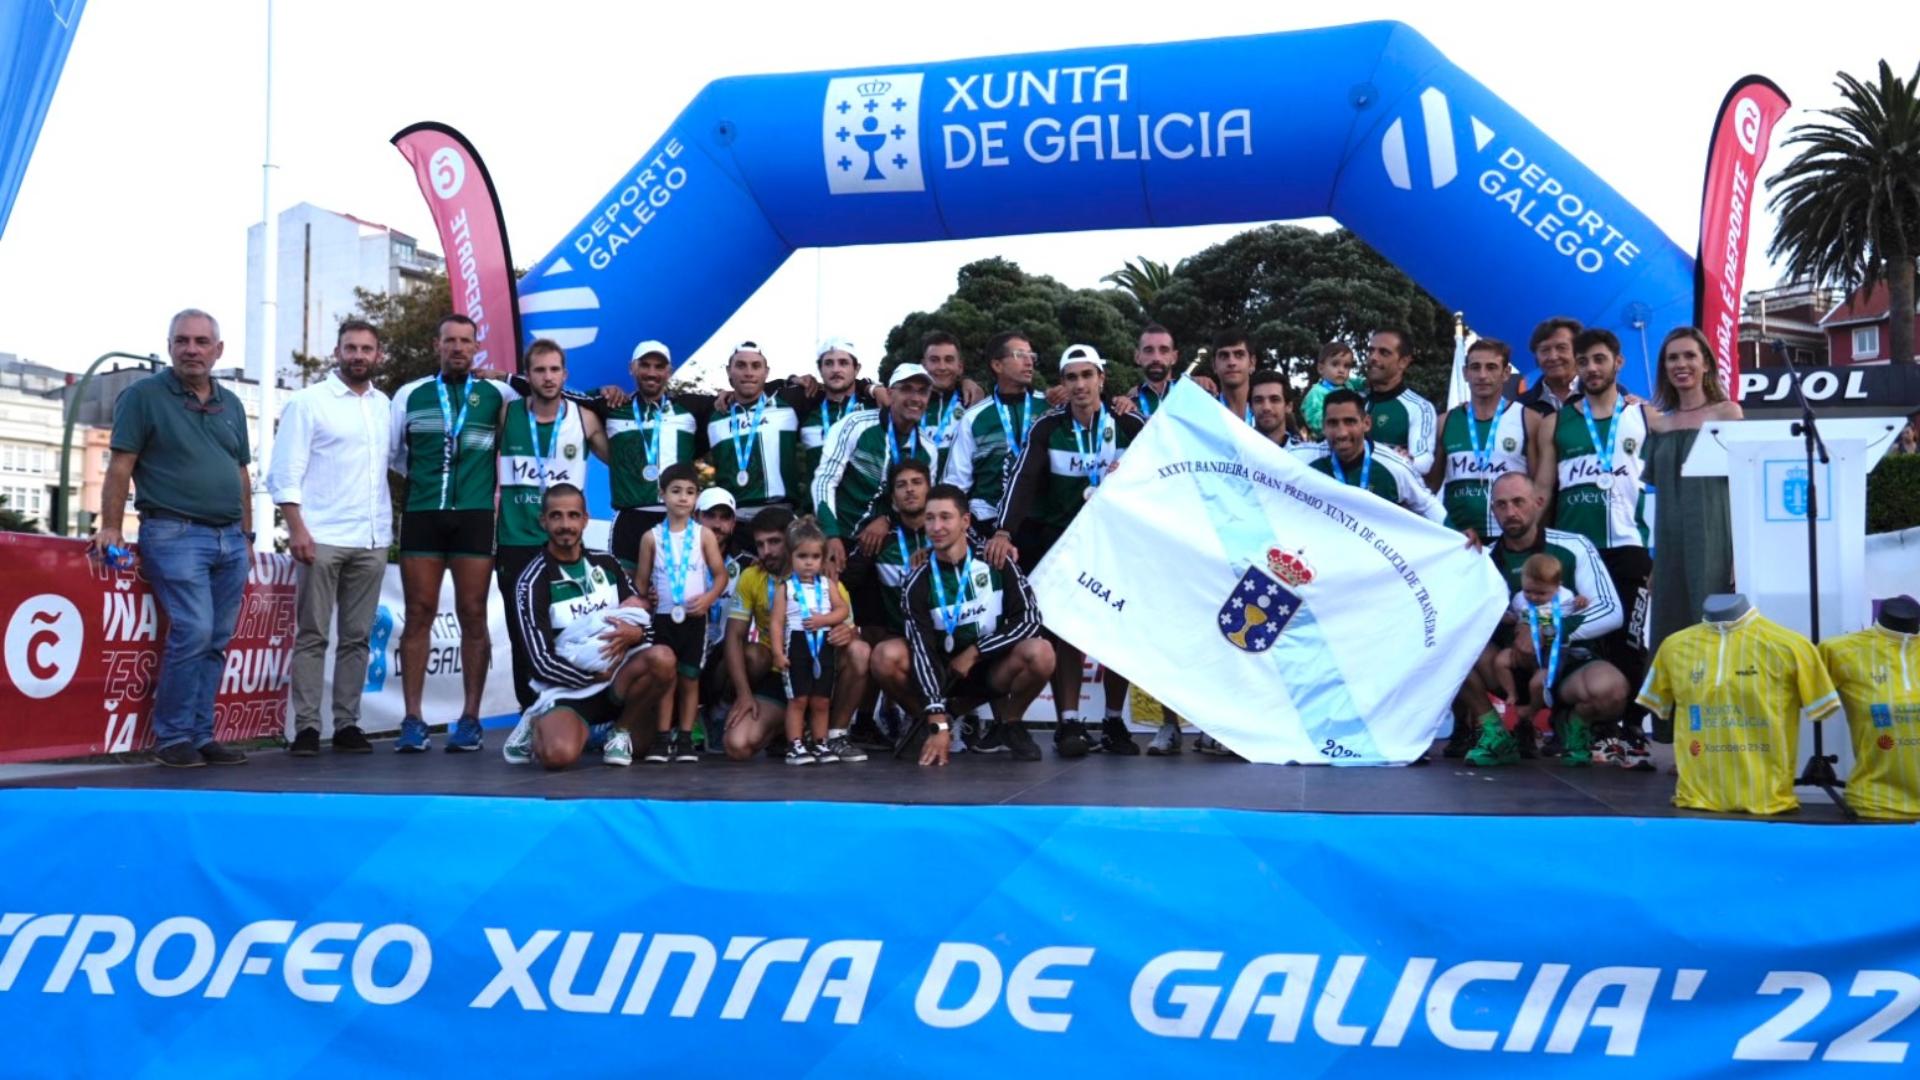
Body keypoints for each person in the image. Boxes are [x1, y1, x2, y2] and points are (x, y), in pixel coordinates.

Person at [93, 309, 254, 768]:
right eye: (182, 340)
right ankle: (173, 736)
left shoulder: (233, 404)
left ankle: (201, 735)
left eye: (202, 342)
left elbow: (241, 472)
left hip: (229, 538)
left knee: (218, 638)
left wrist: (246, 533)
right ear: (169, 346)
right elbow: (121, 464)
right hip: (174, 531)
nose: (192, 349)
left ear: (218, 351)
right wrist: (110, 525)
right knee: (195, 630)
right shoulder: (143, 396)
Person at [991, 344, 1145, 756]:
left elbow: (1162, 471)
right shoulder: (1048, 426)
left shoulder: (1129, 422)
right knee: (1067, 632)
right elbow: (1021, 480)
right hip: (1064, 543)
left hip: (1117, 544)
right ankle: (1070, 722)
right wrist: (1004, 530)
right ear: (1062, 384)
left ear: (1102, 378)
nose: (1080, 384)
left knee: (1116, 629)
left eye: (1087, 375)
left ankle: (1114, 721)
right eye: (1071, 377)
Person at [388, 314, 518, 752]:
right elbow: (394, 454)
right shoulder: (409, 394)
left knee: (473, 613)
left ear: (477, 346)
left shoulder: (497, 394)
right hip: (424, 512)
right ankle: (412, 719)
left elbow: (544, 398)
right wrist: (428, 478)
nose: (458, 348)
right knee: (419, 612)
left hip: (476, 515)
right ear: (437, 345)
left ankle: (470, 719)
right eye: (451, 341)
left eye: (466, 341)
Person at [268, 318, 391, 756]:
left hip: (372, 537)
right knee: (313, 635)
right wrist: (296, 528)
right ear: (337, 352)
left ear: (378, 355)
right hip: (321, 537)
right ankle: (304, 727)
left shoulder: (384, 406)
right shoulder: (308, 403)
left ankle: (346, 724)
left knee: (358, 638)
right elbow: (284, 472)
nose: (359, 356)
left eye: (367, 349)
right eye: (351, 348)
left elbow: (398, 463)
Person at [1532, 328, 1654, 761]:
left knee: (1629, 640)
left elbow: (1666, 484)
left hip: (1627, 545)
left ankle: (1627, 728)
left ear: (1618, 363)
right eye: (1584, 362)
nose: (1592, 369)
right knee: (1573, 639)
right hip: (1576, 547)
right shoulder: (1555, 421)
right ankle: (1575, 724)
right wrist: (1537, 546)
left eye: (1600, 360)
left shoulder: (1644, 416)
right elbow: (1544, 486)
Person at [870, 484, 1056, 765]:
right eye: (930, 518)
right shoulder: (917, 578)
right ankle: (932, 720)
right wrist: (936, 719)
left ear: (965, 521)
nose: (936, 526)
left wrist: (976, 652)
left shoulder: (995, 559)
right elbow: (921, 651)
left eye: (946, 517)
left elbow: (1029, 620)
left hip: (989, 667)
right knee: (885, 656)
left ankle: (1010, 722)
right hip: (941, 674)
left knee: (1041, 652)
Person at [1457, 473, 1629, 767]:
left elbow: (1611, 610)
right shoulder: (1481, 556)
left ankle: (1572, 723)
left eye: (1518, 502)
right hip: (1507, 667)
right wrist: (1455, 544)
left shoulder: (1574, 546)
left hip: (1562, 666)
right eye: (1501, 505)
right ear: (1493, 511)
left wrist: (1545, 630)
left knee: (1611, 691)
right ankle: (1496, 734)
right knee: (1449, 650)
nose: (1510, 512)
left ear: (1538, 503)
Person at [501, 484, 676, 769]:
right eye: (556, 516)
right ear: (543, 521)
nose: (565, 525)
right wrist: (590, 678)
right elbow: (538, 662)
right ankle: (538, 719)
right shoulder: (531, 581)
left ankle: (619, 731)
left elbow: (645, 623)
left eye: (573, 515)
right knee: (559, 756)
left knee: (663, 659)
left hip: (617, 681)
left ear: (585, 519)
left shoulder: (607, 563)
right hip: (570, 690)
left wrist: (637, 634)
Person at [495, 339, 610, 709]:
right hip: (515, 541)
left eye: (554, 369)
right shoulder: (506, 413)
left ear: (565, 374)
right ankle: (529, 712)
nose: (547, 377)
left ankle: (577, 707)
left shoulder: (583, 418)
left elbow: (621, 463)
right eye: (540, 370)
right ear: (527, 376)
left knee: (575, 630)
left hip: (565, 545)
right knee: (523, 635)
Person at [721, 509, 869, 762]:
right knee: (738, 744)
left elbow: (851, 630)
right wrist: (744, 694)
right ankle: (790, 734)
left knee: (860, 651)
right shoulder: (751, 577)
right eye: (760, 544)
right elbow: (734, 637)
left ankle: (835, 735)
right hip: (784, 672)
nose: (766, 551)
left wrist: (847, 634)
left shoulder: (827, 581)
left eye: (774, 542)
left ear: (791, 542)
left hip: (821, 669)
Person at [1642, 326, 1743, 658]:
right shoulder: (1658, 424)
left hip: (1713, 540)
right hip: (1670, 546)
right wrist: (1656, 562)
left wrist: (1739, 557)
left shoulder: (1727, 413)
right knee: (1671, 632)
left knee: (1713, 629)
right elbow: (1655, 496)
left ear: (1706, 364)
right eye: (1672, 358)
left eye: (1689, 355)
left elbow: (1743, 485)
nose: (1680, 364)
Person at [633, 463, 730, 763]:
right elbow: (641, 580)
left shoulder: (703, 535)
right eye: (676, 491)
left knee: (690, 678)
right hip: (663, 617)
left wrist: (709, 599)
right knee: (666, 678)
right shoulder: (651, 537)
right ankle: (663, 738)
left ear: (696, 497)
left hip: (694, 618)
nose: (683, 498)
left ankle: (686, 738)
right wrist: (646, 594)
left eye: (690, 492)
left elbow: (721, 575)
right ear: (662, 495)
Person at [812, 363, 938, 578]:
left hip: (884, 544)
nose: (916, 398)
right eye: (907, 389)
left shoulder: (928, 449)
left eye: (922, 391)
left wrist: (888, 519)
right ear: (890, 393)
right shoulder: (855, 425)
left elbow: (921, 502)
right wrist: (830, 535)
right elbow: (824, 480)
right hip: (838, 535)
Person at [603, 340, 707, 569]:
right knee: (626, 592)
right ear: (632, 368)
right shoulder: (612, 407)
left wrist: (790, 382)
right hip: (629, 518)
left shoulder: (688, 409)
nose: (652, 373)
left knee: (675, 591)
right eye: (645, 365)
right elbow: (568, 396)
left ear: (668, 371)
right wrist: (602, 391)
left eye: (659, 367)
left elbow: (740, 396)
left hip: (675, 516)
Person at [945, 331, 1048, 536]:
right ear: (997, 365)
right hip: (988, 520)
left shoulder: (1048, 406)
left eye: (1032, 356)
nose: (1029, 362)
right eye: (1020, 355)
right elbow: (956, 484)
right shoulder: (974, 418)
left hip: (1040, 519)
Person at [1428, 338, 1529, 544]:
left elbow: (1539, 486)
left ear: (1506, 373)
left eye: (1491, 367)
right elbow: (1429, 488)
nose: (1482, 375)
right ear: (1465, 373)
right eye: (1475, 367)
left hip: (1512, 538)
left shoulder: (1528, 419)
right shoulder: (1444, 422)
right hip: (1459, 538)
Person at [770, 516, 852, 764]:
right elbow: (776, 622)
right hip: (796, 644)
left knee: (821, 699)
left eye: (815, 557)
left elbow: (842, 610)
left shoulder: (827, 584)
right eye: (802, 556)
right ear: (791, 557)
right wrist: (777, 653)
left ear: (822, 558)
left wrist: (824, 620)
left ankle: (820, 742)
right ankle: (795, 744)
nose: (808, 563)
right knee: (798, 699)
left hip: (822, 644)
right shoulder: (786, 587)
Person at [1304, 391, 1446, 522]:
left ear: (1366, 423)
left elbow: (1428, 505)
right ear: (1323, 426)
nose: (1342, 433)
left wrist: (1458, 539)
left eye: (1350, 422)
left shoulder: (1395, 466)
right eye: (1333, 423)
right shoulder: (1304, 460)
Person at [705, 342, 807, 523]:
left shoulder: (790, 404)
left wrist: (871, 388)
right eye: (741, 365)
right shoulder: (713, 413)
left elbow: (837, 388)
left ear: (766, 372)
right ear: (729, 371)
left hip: (780, 513)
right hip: (732, 519)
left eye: (756, 366)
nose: (749, 372)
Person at [1493, 553, 1591, 716]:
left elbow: (1575, 614)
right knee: (1500, 661)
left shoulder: (1565, 598)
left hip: (1551, 653)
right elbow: (1515, 617)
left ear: (1557, 586)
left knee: (1537, 683)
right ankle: (1511, 694)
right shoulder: (1519, 599)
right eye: (1528, 591)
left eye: (1541, 593)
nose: (1533, 597)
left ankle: (1533, 709)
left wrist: (1581, 603)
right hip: (1523, 651)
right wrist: (1505, 617)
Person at [798, 338, 879, 490]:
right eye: (829, 363)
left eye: (843, 363)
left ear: (857, 369)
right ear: (820, 369)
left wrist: (872, 388)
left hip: (865, 510)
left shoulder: (874, 409)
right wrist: (793, 379)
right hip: (817, 510)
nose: (836, 369)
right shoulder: (807, 412)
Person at [1363, 327, 1438, 475]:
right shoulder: (1354, 400)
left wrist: (1406, 460)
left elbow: (1424, 461)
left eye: (1384, 352)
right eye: (1371, 351)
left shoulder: (1419, 407)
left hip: (1389, 497)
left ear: (1403, 362)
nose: (1373, 357)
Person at [916, 330, 980, 477]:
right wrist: (871, 388)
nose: (942, 367)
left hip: (960, 496)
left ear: (960, 367)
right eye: (934, 360)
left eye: (949, 360)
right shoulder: (909, 404)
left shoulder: (973, 403)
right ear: (923, 365)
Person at [1300, 341, 1363, 440]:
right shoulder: (1316, 393)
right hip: (1327, 441)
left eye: (1346, 366)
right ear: (1321, 368)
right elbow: (1314, 420)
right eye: (1335, 364)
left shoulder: (1348, 384)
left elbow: (1363, 382)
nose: (1341, 370)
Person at [1519, 316, 1582, 413]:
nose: (1553, 357)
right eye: (1545, 350)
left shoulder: (1602, 395)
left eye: (1561, 348)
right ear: (1536, 357)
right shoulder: (1521, 407)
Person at [1208, 328, 1257, 425]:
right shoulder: (1203, 412)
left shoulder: (1265, 414)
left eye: (1239, 355)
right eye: (1224, 356)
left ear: (1252, 363)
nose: (1231, 362)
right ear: (1214, 365)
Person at [1248, 369, 1295, 447]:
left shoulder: (1304, 455)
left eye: (1274, 400)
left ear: (1288, 406)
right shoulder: (1237, 453)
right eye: (1258, 400)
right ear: (1250, 407)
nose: (1266, 407)